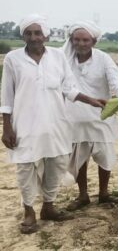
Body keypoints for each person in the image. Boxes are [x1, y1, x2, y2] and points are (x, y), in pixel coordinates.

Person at [1, 15, 106, 234]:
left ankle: (48, 206)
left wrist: (91, 100)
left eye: (38, 33)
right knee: (26, 167)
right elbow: (7, 96)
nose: (34, 37)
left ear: (46, 35)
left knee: (57, 163)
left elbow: (69, 88)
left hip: (56, 122)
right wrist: (7, 126)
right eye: (29, 33)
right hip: (25, 124)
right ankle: (28, 210)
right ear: (23, 36)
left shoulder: (58, 57)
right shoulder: (13, 59)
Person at [63, 21, 118, 211]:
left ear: (93, 41)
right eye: (77, 40)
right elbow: (64, 87)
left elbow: (114, 81)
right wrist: (86, 99)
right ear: (71, 40)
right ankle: (83, 195)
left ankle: (104, 194)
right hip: (75, 117)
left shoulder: (104, 59)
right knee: (79, 159)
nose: (81, 44)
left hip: (102, 115)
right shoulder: (65, 60)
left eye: (85, 40)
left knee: (105, 157)